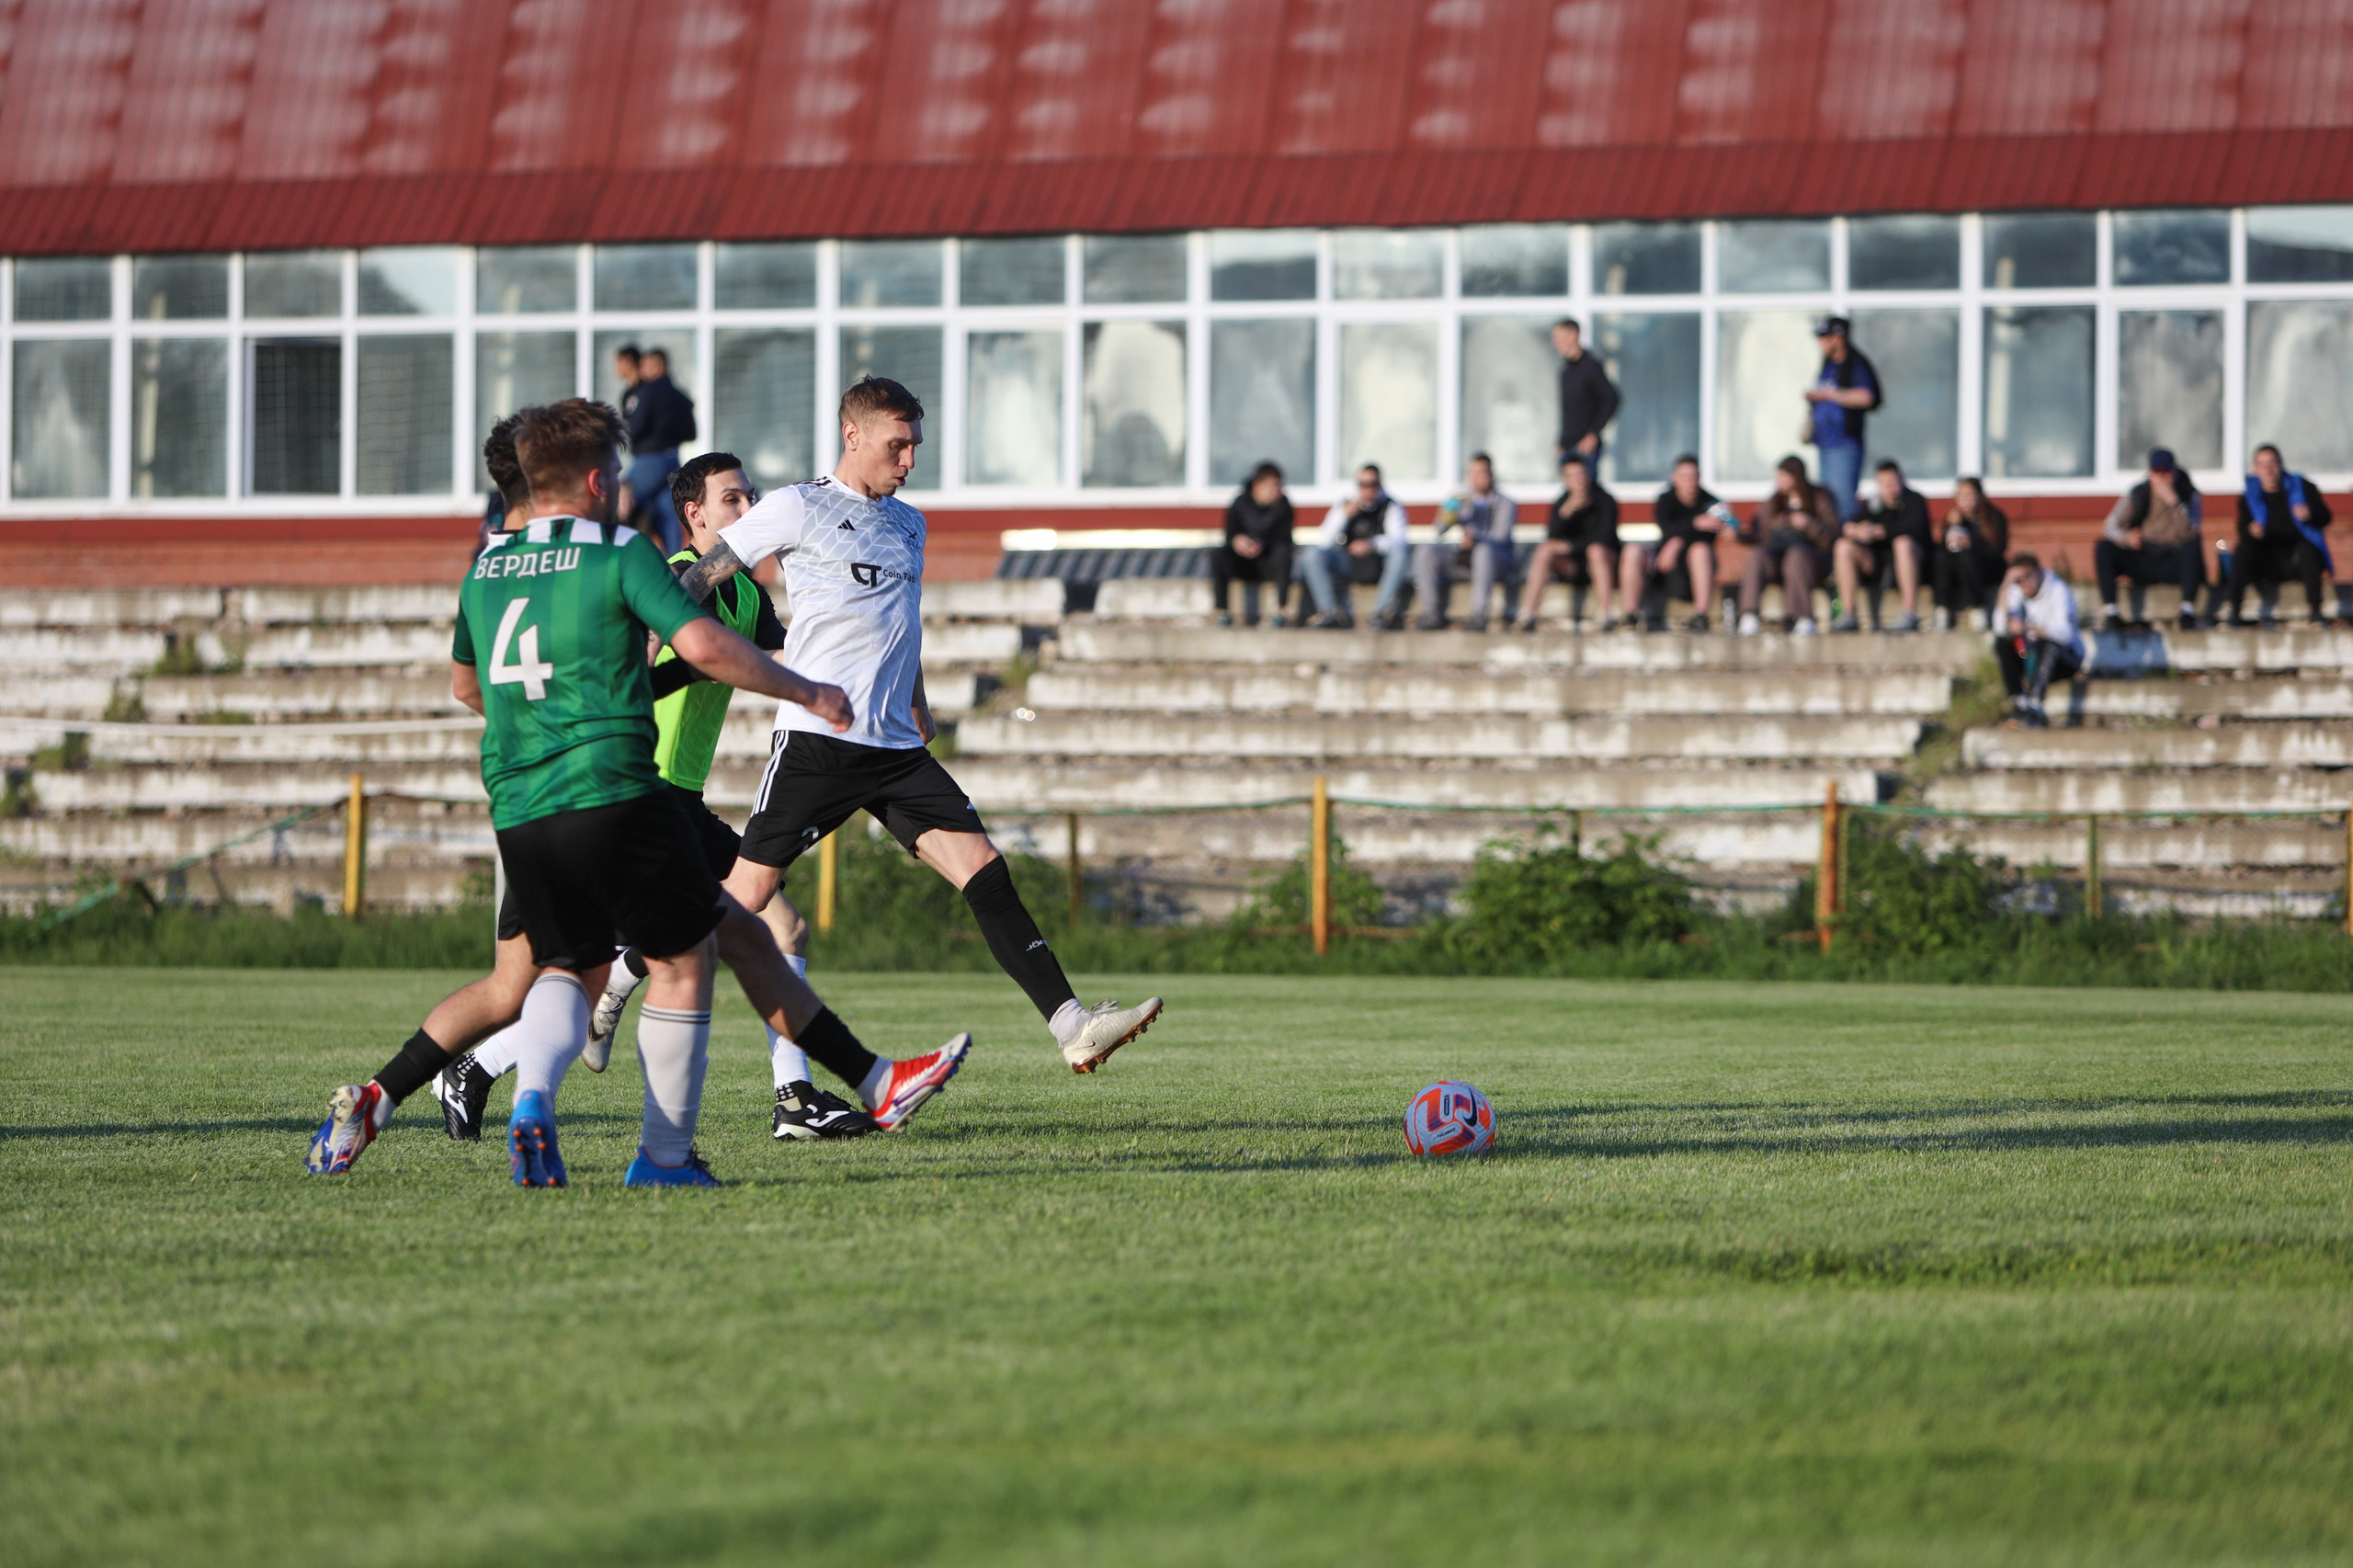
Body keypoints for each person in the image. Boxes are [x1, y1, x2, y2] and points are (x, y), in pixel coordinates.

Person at [307, 400, 965, 1187]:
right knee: (702, 956)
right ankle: (673, 1153)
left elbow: (465, 687)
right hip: (618, 793)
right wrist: (807, 691)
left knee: (542, 976)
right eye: (616, 474)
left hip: (521, 806)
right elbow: (701, 645)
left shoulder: (487, 567)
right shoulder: (619, 553)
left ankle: (388, 1096)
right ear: (595, 480)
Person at [677, 376, 1164, 1074]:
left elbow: (897, 623)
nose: (909, 461)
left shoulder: (911, 522)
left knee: (985, 871)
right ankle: (621, 975)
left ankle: (1073, 1026)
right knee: (746, 899)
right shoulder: (797, 507)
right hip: (821, 739)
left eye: (916, 447)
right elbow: (702, 574)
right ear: (853, 436)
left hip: (894, 745)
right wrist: (649, 637)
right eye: (896, 445)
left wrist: (918, 697)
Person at [437, 452, 874, 1145]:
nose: (749, 509)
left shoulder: (749, 595)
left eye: (752, 497)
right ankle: (482, 1064)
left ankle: (791, 1100)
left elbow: (788, 660)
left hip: (681, 802)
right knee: (642, 957)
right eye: (733, 500)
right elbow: (649, 664)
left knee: (764, 931)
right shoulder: (673, 581)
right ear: (693, 514)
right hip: (635, 795)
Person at [2222, 444, 2335, 628]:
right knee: (2242, 550)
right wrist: (2252, 532)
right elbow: (2243, 531)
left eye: (2272, 463)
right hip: (2265, 562)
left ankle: (2316, 612)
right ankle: (2234, 612)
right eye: (2262, 464)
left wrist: (2310, 514)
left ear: (2281, 465)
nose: (2268, 469)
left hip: (2296, 561)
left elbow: (2326, 517)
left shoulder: (2302, 488)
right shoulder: (2249, 496)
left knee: (2307, 548)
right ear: (2255, 469)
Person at [2094, 448, 2203, 631]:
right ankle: (2111, 611)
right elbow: (2110, 526)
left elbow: (2192, 532)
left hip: (2173, 559)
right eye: (2156, 473)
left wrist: (2174, 502)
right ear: (2149, 472)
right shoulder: (2138, 493)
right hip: (2143, 556)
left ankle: (2187, 611)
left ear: (2174, 472)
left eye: (2165, 473)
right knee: (2103, 547)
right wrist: (2126, 538)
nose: (2160, 478)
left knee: (2191, 547)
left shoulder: (2189, 494)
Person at [1620, 453, 1730, 633]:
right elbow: (1666, 528)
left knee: (1700, 550)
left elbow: (1710, 539)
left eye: (1694, 476)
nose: (1690, 481)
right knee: (1632, 550)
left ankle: (1702, 617)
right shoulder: (1665, 499)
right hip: (1665, 568)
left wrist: (1678, 540)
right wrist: (1695, 524)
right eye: (1685, 476)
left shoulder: (1711, 504)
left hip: (1695, 570)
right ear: (1674, 478)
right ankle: (1631, 615)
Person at [1735, 454, 1841, 636]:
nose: (1780, 482)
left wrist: (1809, 525)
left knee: (1796, 554)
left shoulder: (1819, 496)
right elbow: (1759, 532)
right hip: (1778, 558)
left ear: (1797, 477)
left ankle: (1803, 618)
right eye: (1778, 477)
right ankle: (1749, 615)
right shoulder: (1773, 501)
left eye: (1784, 477)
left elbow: (1833, 534)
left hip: (1812, 560)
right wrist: (1739, 535)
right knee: (1758, 555)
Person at [1413, 452, 1518, 631]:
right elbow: (1439, 530)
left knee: (1483, 550)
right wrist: (1449, 512)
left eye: (1482, 473)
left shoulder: (1505, 503)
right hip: (1465, 559)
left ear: (1491, 476)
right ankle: (1431, 613)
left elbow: (1500, 538)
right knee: (1426, 551)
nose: (1477, 479)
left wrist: (1476, 539)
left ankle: (1479, 615)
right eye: (1473, 473)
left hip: (1495, 562)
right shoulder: (1462, 500)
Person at [1514, 455, 1620, 631]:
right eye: (1572, 476)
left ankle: (1606, 614)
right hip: (1572, 566)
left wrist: (1571, 546)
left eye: (1581, 474)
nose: (1578, 480)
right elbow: (1552, 538)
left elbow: (1605, 538)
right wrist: (1566, 513)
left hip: (1603, 564)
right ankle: (1528, 613)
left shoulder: (1604, 500)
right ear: (1565, 479)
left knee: (1596, 551)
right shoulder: (1562, 503)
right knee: (1544, 550)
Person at [1302, 465, 1412, 631]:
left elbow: (1399, 540)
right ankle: (1329, 612)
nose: (1367, 490)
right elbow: (1324, 542)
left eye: (1372, 484)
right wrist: (1344, 516)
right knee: (1312, 554)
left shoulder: (1390, 506)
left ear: (1380, 484)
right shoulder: (1345, 505)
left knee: (1400, 554)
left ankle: (1380, 613)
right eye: (1363, 484)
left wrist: (1372, 544)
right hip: (1349, 563)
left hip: (1377, 564)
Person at [1830, 460, 1930, 632]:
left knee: (1902, 544)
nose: (1888, 488)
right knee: (1843, 546)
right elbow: (1852, 524)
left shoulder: (1914, 500)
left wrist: (1879, 531)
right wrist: (1854, 530)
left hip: (1914, 563)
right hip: (1878, 566)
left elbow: (1915, 528)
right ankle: (1848, 614)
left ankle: (1910, 613)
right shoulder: (1873, 503)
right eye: (1883, 483)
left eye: (1892, 482)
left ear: (1901, 480)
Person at [1993, 552, 2082, 729]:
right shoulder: (2016, 590)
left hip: (2064, 661)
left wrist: (2029, 629)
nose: (2023, 584)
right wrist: (2005, 587)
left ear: (2039, 572)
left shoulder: (2058, 590)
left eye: (2027, 577)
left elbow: (2064, 634)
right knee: (2003, 643)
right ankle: (2019, 701)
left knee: (2047, 643)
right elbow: (1998, 628)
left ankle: (2035, 705)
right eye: (2018, 580)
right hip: (2029, 657)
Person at [1805, 316, 1880, 523]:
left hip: (1844, 443)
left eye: (1824, 338)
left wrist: (1832, 395)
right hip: (1825, 443)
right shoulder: (1827, 365)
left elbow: (1867, 397)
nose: (1820, 344)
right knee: (1827, 501)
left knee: (1843, 502)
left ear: (1838, 339)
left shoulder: (1856, 364)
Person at [623, 346, 697, 553]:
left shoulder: (647, 392)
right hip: (672, 460)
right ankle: (676, 570)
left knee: (621, 502)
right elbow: (692, 433)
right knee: (668, 519)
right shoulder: (680, 396)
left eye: (645, 365)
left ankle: (615, 557)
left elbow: (634, 427)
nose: (642, 370)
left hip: (650, 460)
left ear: (656, 366)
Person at [1211, 462, 1294, 628]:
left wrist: (1262, 544)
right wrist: (1238, 542)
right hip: (1243, 563)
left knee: (1283, 552)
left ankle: (1280, 610)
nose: (1277, 491)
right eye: (1273, 486)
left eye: (1279, 486)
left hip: (1269, 564)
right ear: (1257, 485)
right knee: (1217, 554)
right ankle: (1222, 612)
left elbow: (1286, 538)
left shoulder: (1284, 506)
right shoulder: (1240, 503)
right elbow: (1229, 535)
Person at [1933, 478, 2010, 631]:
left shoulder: (1993, 517)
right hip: (1958, 571)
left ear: (1980, 496)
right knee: (1941, 558)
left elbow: (1996, 549)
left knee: (1967, 557)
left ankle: (1977, 608)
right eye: (1961, 496)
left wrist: (1971, 541)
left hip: (1987, 568)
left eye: (1970, 495)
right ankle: (1943, 608)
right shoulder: (1954, 518)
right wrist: (1951, 527)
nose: (1966, 501)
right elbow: (1944, 547)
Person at [1552, 318, 1620, 478]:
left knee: (1587, 493)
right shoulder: (1566, 370)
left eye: (1558, 338)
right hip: (1567, 445)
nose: (1555, 343)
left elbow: (1611, 399)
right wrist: (1561, 442)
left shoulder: (1591, 366)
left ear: (1573, 336)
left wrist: (1592, 434)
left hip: (1585, 447)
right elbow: (1569, 411)